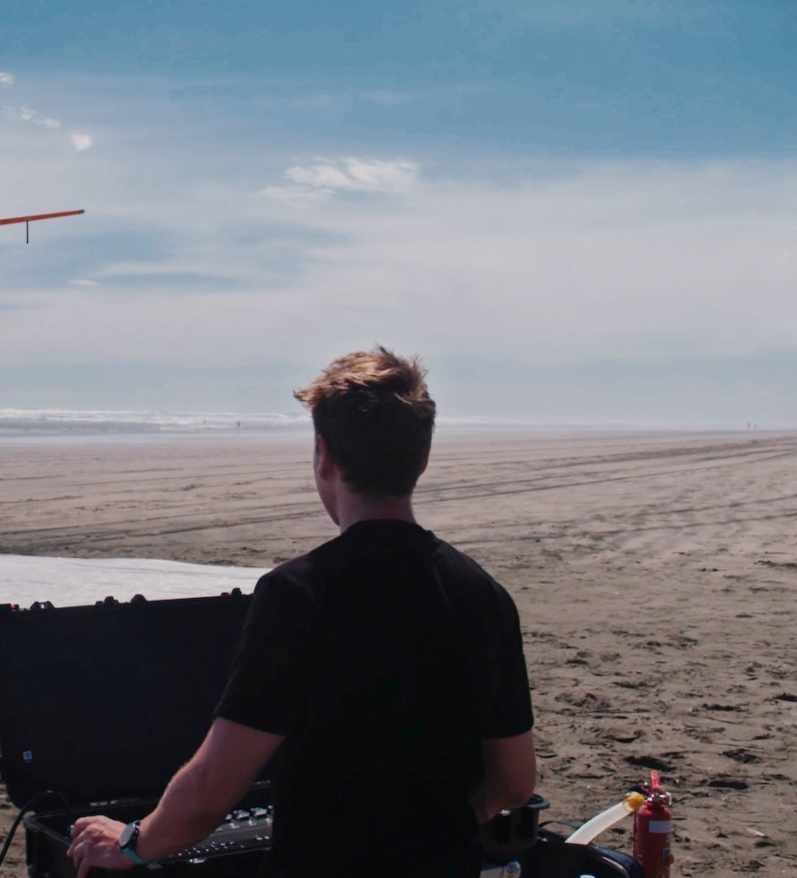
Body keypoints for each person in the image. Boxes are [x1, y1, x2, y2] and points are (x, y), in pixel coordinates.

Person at [68, 348, 536, 877]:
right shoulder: (484, 596)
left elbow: (208, 793)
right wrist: (433, 824)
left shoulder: (299, 595)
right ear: (422, 460)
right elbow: (515, 782)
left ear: (325, 456)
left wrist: (132, 843)